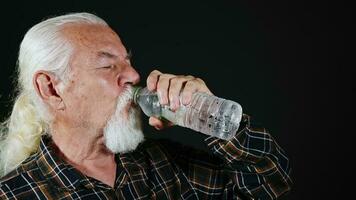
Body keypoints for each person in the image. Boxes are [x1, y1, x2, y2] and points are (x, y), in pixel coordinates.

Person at [0, 13, 292, 199]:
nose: (133, 76)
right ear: (51, 88)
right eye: (107, 65)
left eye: (127, 61)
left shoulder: (163, 164)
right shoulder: (14, 194)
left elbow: (269, 183)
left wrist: (210, 111)